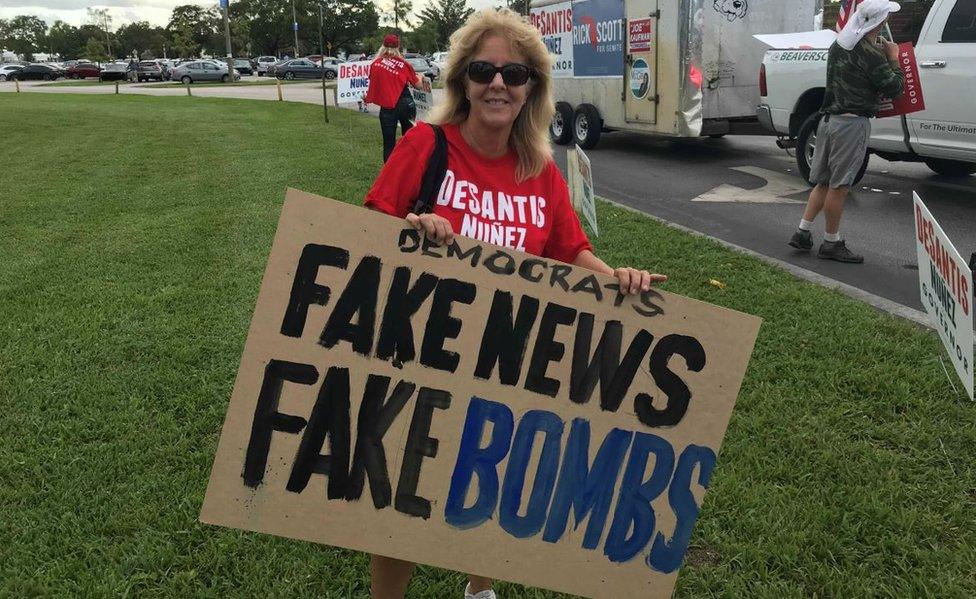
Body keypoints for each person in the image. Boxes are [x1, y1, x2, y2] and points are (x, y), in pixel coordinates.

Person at [363, 8, 666, 599]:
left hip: (506, 360)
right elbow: (369, 228)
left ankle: (481, 590)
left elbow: (569, 250)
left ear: (531, 89)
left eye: (514, 73)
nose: (498, 83)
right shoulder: (426, 146)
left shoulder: (540, 171)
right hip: (423, 352)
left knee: (489, 479)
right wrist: (413, 228)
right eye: (483, 70)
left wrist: (614, 278)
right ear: (462, 82)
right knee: (405, 485)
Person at [788, 0, 904, 263]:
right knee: (839, 187)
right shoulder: (871, 55)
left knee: (823, 182)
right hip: (852, 125)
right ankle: (831, 242)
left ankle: (803, 231)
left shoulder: (838, 46)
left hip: (828, 121)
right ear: (881, 22)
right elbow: (894, 88)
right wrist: (894, 58)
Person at [364, 34, 431, 162]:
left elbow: (375, 83)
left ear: (382, 46)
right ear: (398, 47)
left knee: (388, 143)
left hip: (388, 107)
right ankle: (408, 169)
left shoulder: (376, 64)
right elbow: (417, 85)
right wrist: (421, 77)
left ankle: (389, 174)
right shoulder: (404, 64)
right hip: (406, 104)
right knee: (409, 140)